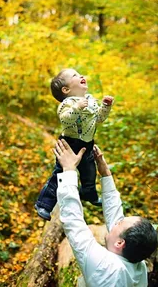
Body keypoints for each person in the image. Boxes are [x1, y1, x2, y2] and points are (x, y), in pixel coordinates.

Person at [54, 139, 158, 286]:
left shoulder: (105, 266)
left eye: (120, 223)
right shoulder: (137, 265)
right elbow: (115, 214)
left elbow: (74, 223)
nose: (117, 221)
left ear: (120, 243)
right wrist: (105, 173)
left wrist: (69, 170)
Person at [35, 68, 114, 221]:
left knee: (89, 172)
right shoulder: (67, 103)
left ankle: (89, 194)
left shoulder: (90, 99)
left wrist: (105, 106)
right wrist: (77, 108)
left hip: (87, 144)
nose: (81, 76)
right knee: (60, 175)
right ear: (66, 89)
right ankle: (44, 204)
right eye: (75, 75)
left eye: (80, 74)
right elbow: (65, 119)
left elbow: (98, 118)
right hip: (69, 144)